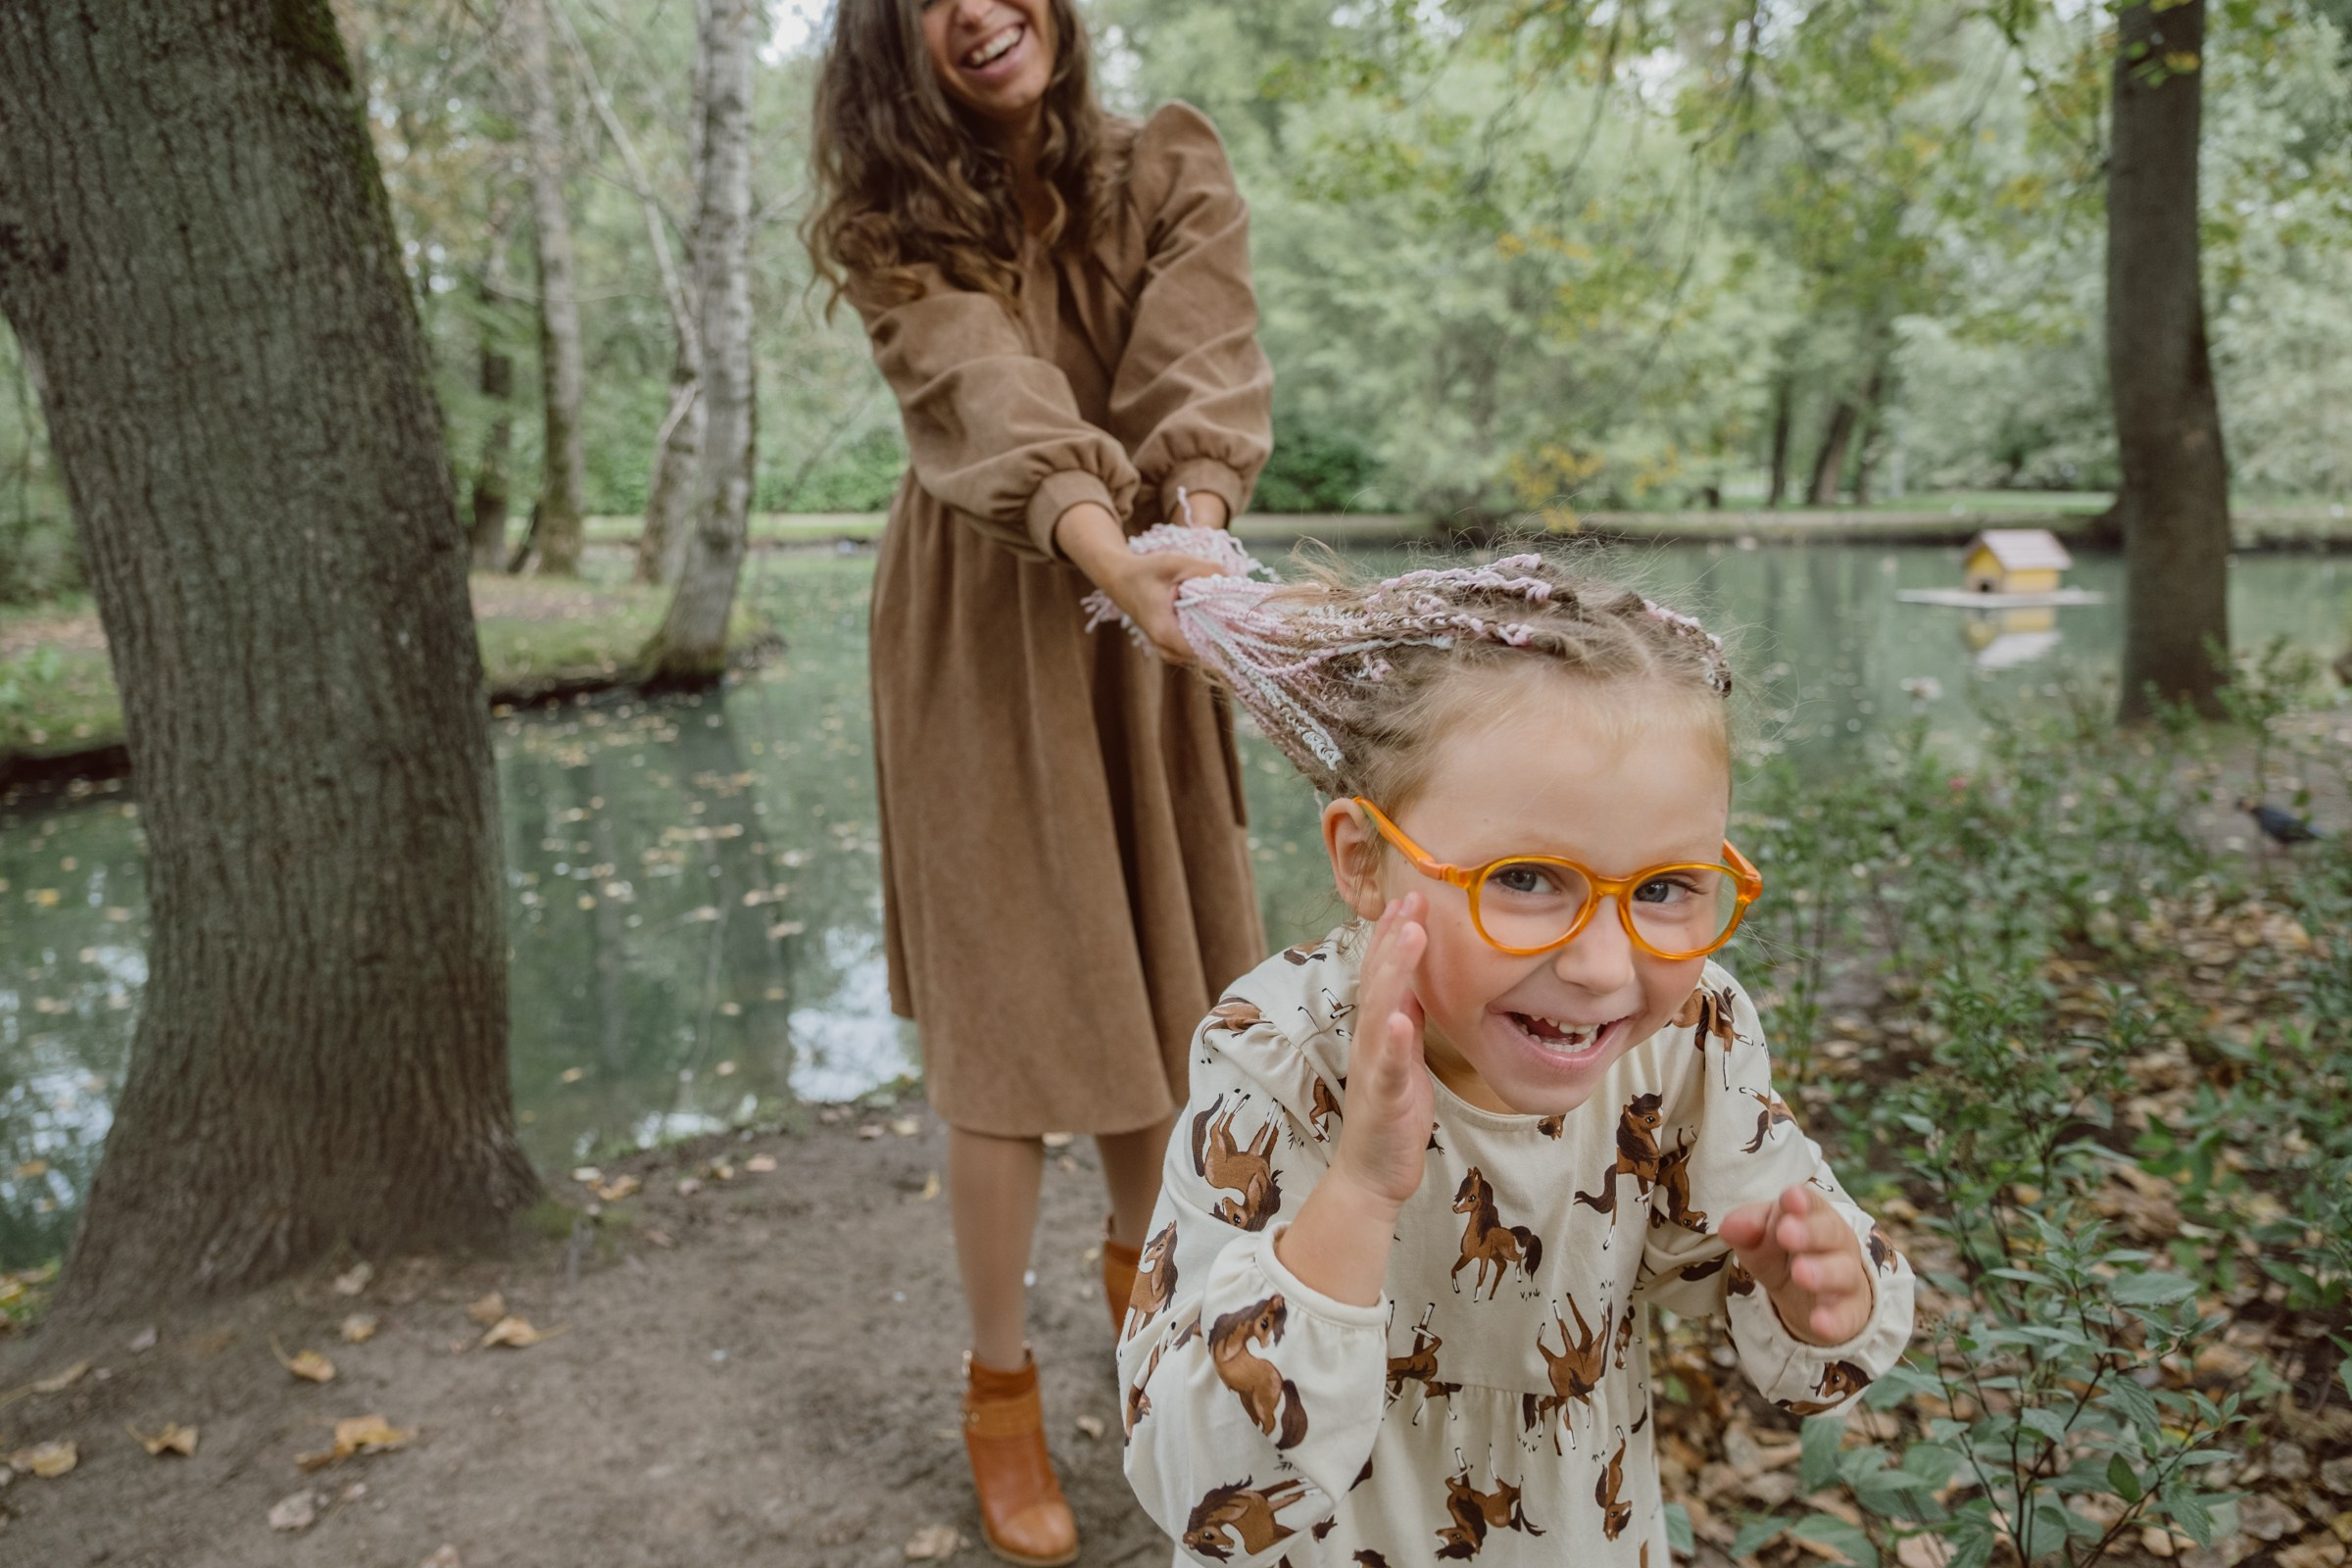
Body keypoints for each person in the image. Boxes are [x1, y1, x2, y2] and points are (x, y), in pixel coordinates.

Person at [1111, 547, 1918, 1564]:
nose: (1600, 965)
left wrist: (1815, 1299)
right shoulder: (1274, 1053)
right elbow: (1194, 1478)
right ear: (1365, 859)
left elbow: (1781, 1309)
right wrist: (1359, 1192)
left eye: (1668, 887)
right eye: (1528, 876)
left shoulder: (1686, 1035)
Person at [805, 3, 1273, 1562]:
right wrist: (1105, 549)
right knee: (1012, 1027)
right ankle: (999, 1393)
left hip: (1151, 606)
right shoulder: (893, 229)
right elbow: (987, 397)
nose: (977, 6)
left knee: (1156, 1002)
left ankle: (1148, 1351)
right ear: (895, 38)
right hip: (984, 620)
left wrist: (1188, 534)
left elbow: (1199, 362)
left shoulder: (1171, 169)